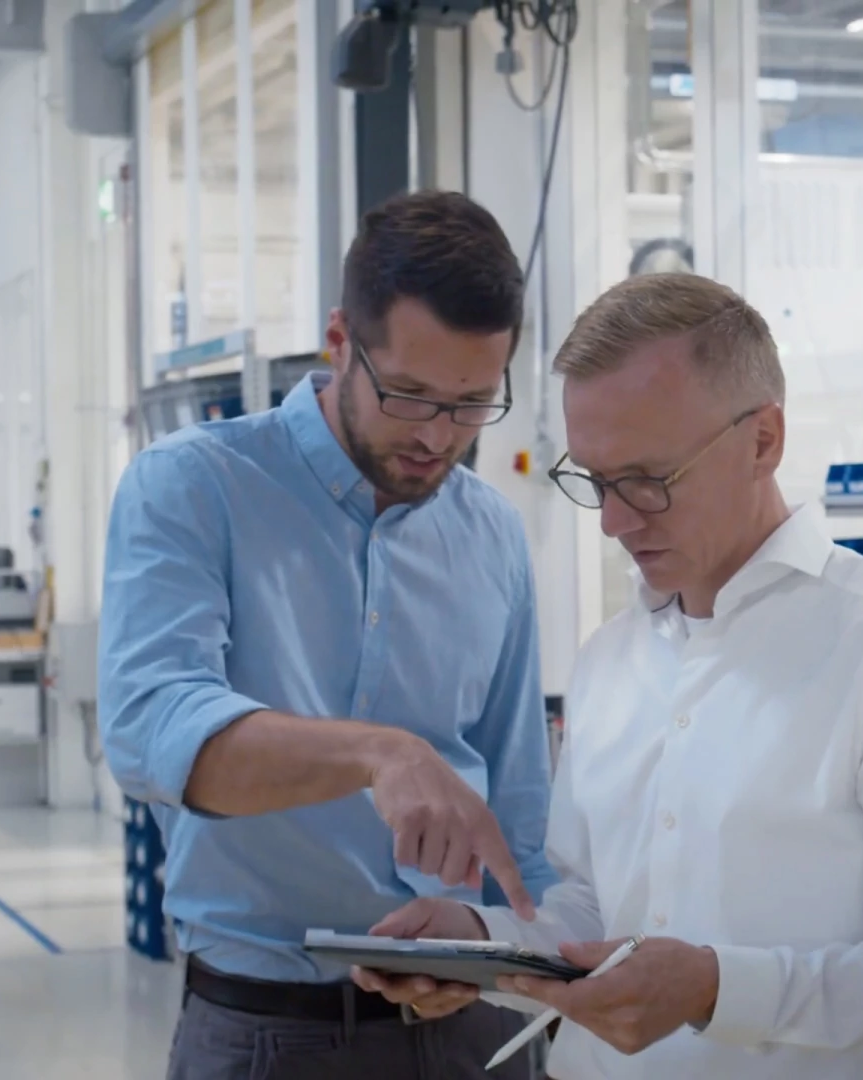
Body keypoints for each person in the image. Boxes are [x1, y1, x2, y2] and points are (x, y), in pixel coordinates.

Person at [353, 272, 863, 1079]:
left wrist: (718, 989)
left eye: (647, 480)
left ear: (764, 439)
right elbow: (592, 911)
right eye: (595, 483)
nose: (617, 522)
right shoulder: (609, 662)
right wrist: (478, 943)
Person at [98, 191, 558, 1080]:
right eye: (411, 394)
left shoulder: (492, 532)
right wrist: (377, 754)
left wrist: (490, 938)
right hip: (272, 1034)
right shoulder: (195, 488)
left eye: (472, 404)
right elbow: (153, 727)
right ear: (340, 342)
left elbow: (517, 805)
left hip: (475, 1032)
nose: (438, 436)